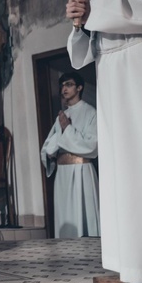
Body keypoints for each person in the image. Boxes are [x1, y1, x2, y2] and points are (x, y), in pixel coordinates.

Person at [66, 0, 142, 283]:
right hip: (114, 74)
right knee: (123, 176)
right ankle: (133, 269)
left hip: (141, 74)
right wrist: (82, 20)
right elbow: (110, 13)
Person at [40, 72, 100, 238]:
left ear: (79, 87)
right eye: (62, 85)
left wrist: (67, 130)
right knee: (66, 214)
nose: (64, 88)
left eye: (69, 84)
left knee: (83, 213)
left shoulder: (90, 113)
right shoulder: (63, 115)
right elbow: (48, 146)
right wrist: (54, 147)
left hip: (81, 171)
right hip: (63, 173)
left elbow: (92, 145)